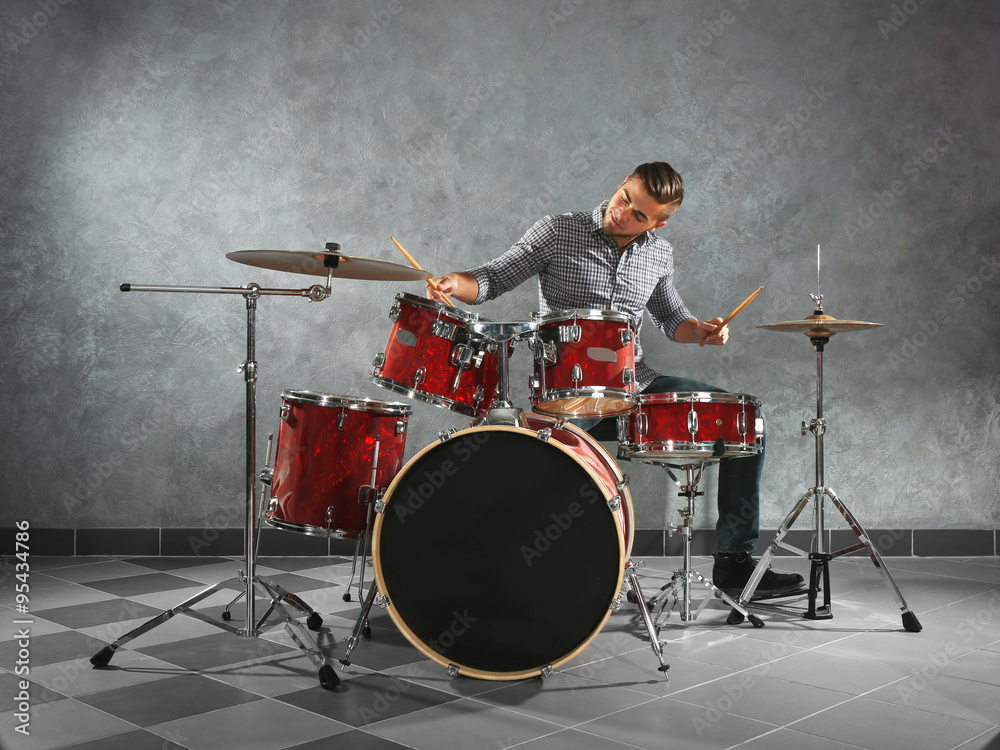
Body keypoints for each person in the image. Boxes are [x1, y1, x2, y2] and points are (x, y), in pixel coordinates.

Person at [426, 162, 804, 599]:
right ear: (622, 183)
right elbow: (494, 276)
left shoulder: (659, 253)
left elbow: (671, 317)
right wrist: (456, 282)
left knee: (744, 423)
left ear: (659, 223)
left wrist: (701, 331)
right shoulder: (557, 230)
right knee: (535, 468)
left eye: (640, 214)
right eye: (625, 198)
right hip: (566, 393)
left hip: (634, 387)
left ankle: (735, 565)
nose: (623, 213)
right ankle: (509, 570)